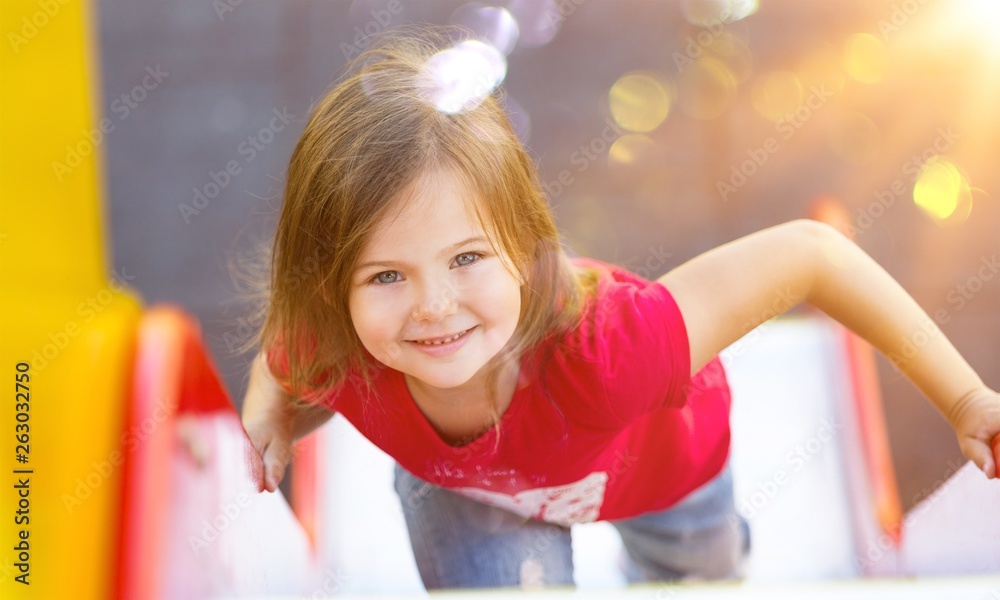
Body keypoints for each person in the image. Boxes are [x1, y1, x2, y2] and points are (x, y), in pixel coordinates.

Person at [239, 27, 1000, 590]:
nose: (433, 307)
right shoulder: (334, 348)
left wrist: (965, 397)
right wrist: (271, 414)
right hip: (469, 492)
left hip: (663, 468)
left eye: (468, 258)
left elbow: (811, 253)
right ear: (330, 285)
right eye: (385, 277)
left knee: (694, 578)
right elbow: (283, 349)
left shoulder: (609, 352)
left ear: (528, 248)